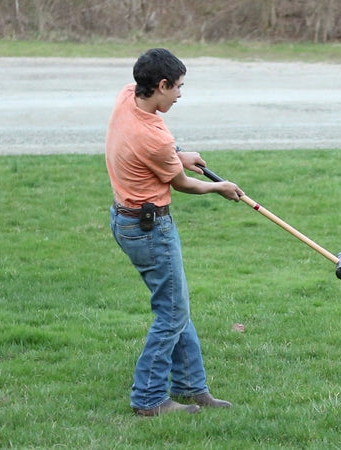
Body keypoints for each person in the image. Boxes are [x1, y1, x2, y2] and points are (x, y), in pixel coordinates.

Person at [105, 48, 243, 416]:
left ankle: (191, 386)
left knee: (175, 307)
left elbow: (162, 151)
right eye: (178, 87)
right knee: (171, 313)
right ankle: (149, 399)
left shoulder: (127, 96)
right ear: (162, 85)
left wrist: (179, 152)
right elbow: (183, 184)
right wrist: (220, 187)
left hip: (125, 218)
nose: (180, 95)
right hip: (149, 229)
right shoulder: (153, 138)